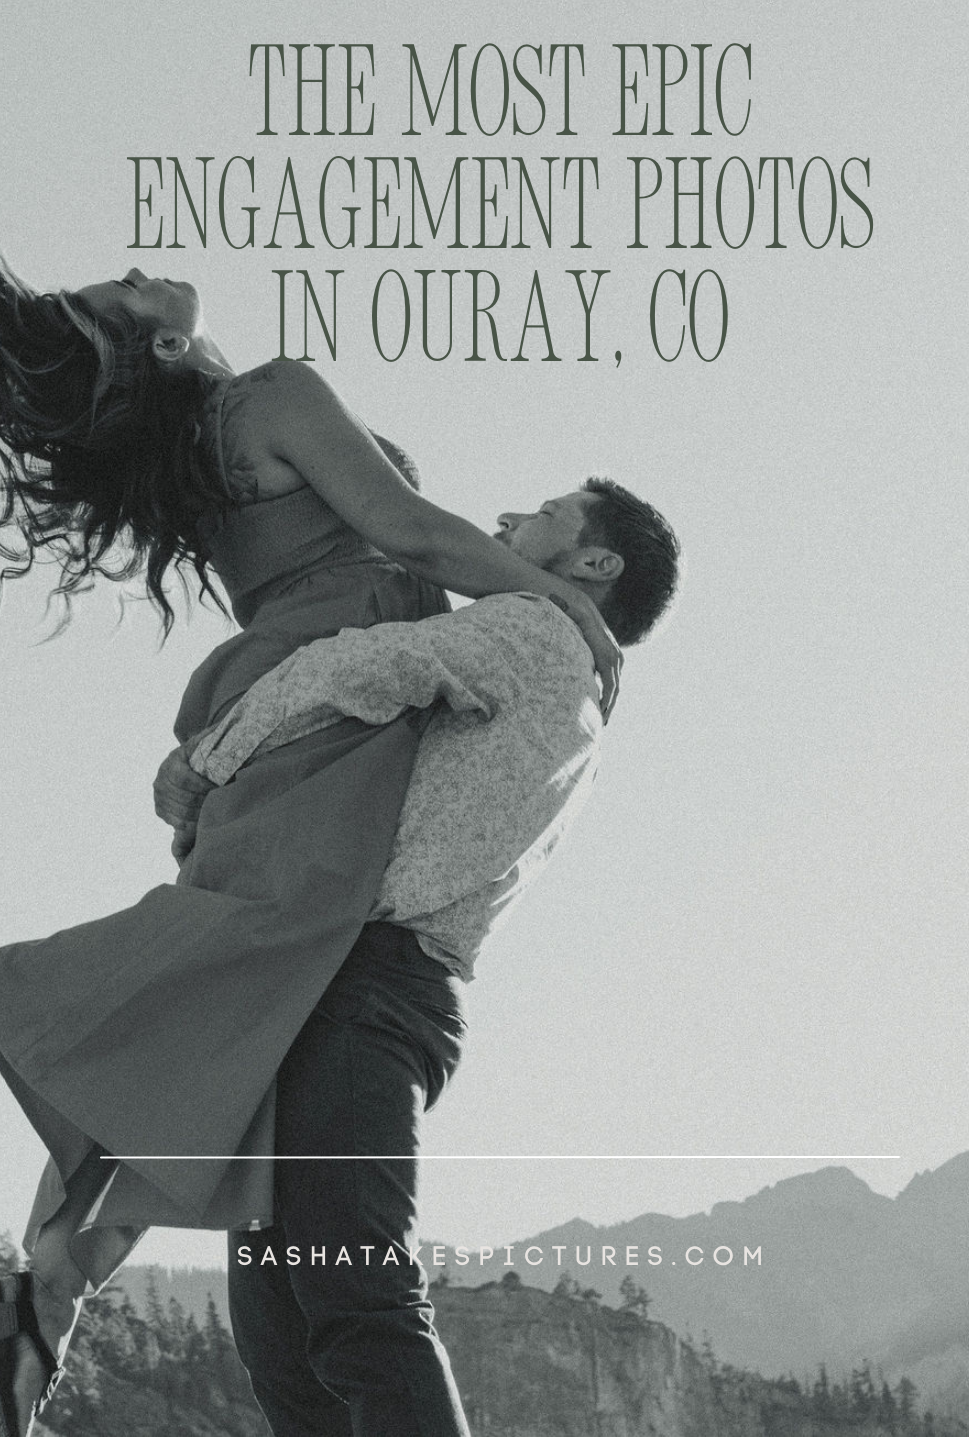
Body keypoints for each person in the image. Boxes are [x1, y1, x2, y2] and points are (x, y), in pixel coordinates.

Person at [0, 260, 623, 1437]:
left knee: (218, 1014)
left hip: (280, 715)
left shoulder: (191, 455)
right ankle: (45, 1288)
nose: (140, 268)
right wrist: (570, 614)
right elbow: (406, 528)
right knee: (242, 995)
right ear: (143, 350)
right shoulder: (271, 396)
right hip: (334, 709)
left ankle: (47, 1293)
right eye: (119, 294)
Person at [152, 480, 681, 1436]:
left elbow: (369, 662)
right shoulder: (568, 671)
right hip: (341, 986)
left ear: (597, 564)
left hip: (363, 991)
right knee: (284, 1330)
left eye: (549, 512)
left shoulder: (534, 626)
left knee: (356, 1300)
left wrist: (204, 764)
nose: (512, 519)